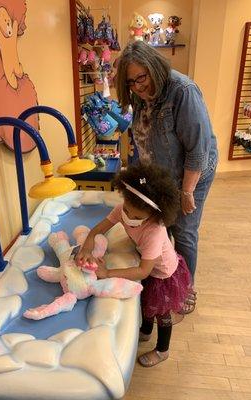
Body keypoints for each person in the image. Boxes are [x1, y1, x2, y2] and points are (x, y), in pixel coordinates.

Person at [115, 40, 218, 313]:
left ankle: (185, 288)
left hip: (191, 174)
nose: (138, 86)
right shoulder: (139, 96)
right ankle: (166, 277)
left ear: (154, 67)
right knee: (163, 227)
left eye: (142, 77)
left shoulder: (182, 91)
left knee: (183, 231)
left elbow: (198, 149)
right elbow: (143, 141)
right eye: (131, 82)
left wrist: (186, 192)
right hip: (160, 174)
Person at [76, 163, 191, 367]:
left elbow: (144, 271)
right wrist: (86, 247)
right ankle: (146, 332)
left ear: (155, 214)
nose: (129, 218)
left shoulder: (154, 230)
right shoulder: (123, 210)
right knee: (146, 303)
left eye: (138, 217)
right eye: (128, 210)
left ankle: (163, 350)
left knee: (162, 314)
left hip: (163, 275)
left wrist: (107, 272)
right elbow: (97, 230)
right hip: (147, 266)